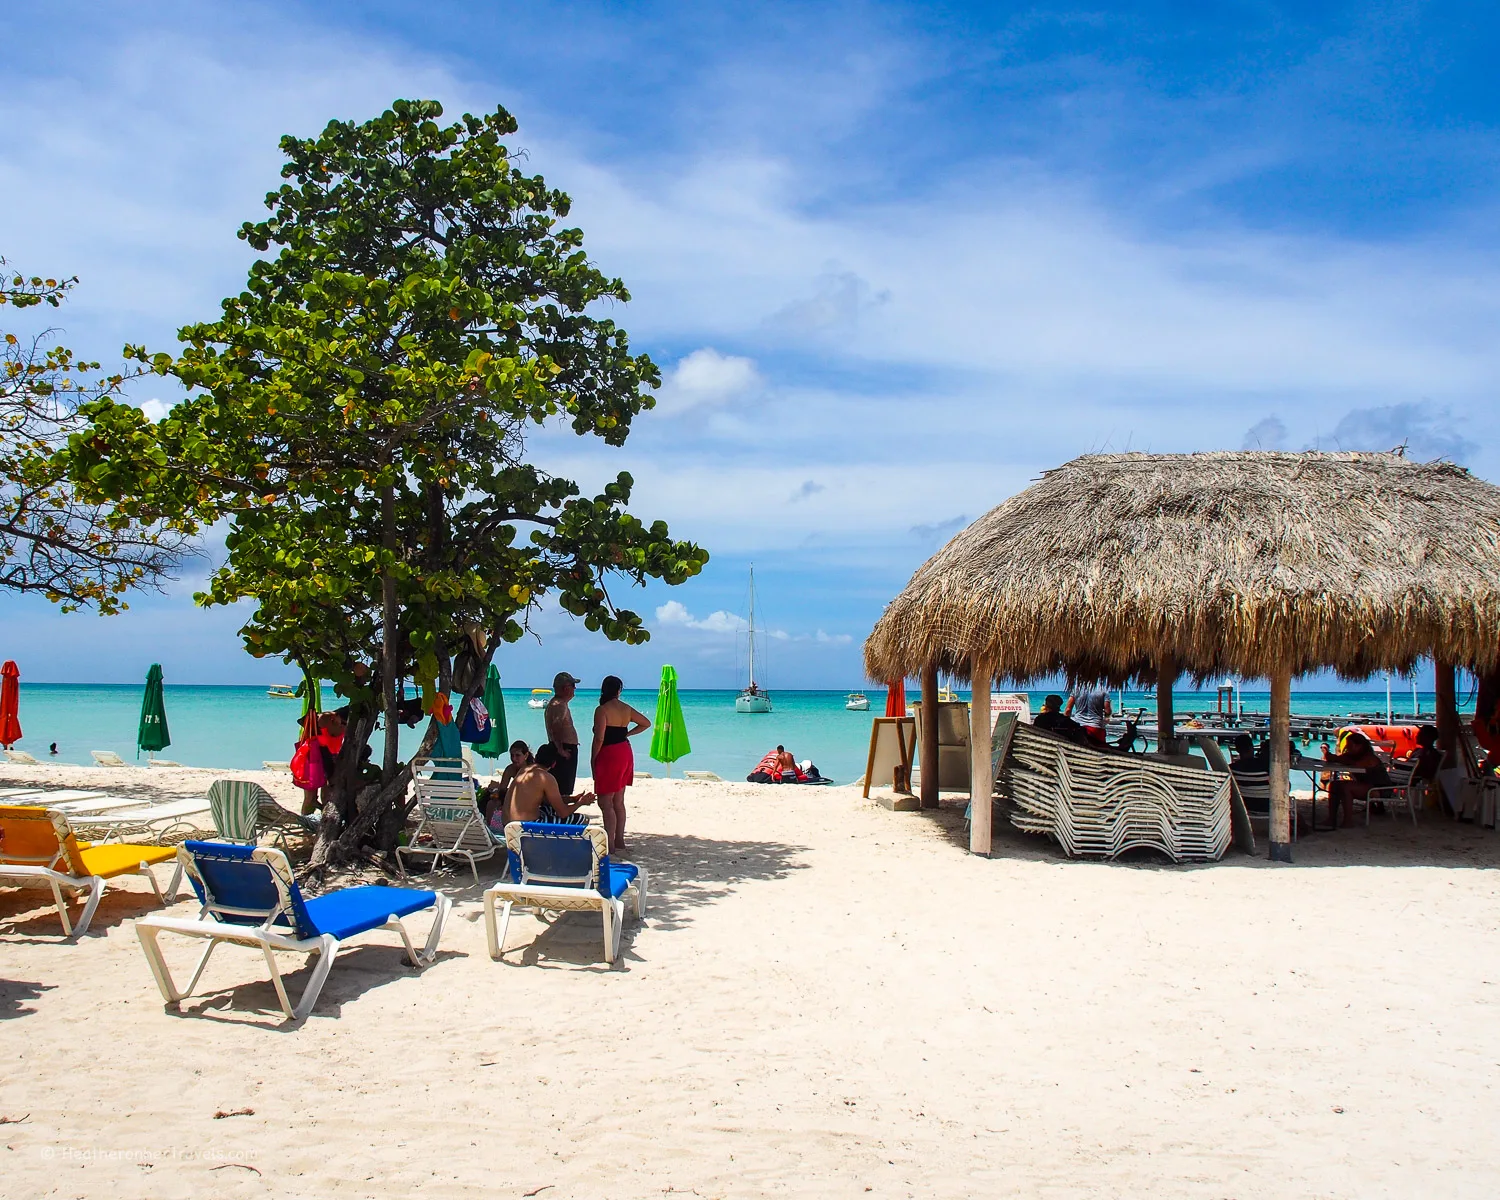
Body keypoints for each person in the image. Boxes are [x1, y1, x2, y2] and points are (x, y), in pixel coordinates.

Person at [591, 675, 650, 853]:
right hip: (625, 751)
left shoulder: (602, 710)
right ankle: (619, 840)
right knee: (618, 800)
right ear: (618, 691)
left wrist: (593, 758)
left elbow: (599, 737)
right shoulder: (626, 708)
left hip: (610, 753)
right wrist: (627, 734)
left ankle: (609, 845)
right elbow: (646, 723)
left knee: (605, 802)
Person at [505, 743, 596, 827]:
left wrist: (572, 799)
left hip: (509, 824)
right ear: (554, 764)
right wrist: (581, 803)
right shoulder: (546, 777)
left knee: (549, 809)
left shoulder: (523, 770)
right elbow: (563, 813)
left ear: (536, 757)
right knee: (583, 819)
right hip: (527, 826)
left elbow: (547, 800)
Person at [1322, 730, 1393, 828]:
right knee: (1334, 785)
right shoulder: (1354, 756)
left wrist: (1337, 758)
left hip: (1381, 789)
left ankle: (1348, 821)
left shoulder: (1369, 758)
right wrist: (1328, 754)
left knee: (1347, 787)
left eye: (1350, 746)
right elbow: (1338, 759)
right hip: (1368, 786)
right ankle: (1331, 819)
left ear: (1359, 746)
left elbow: (1354, 764)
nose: (1347, 748)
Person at [544, 672, 583, 797]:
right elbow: (555, 728)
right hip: (564, 749)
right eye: (573, 685)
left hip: (564, 748)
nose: (574, 689)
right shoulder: (558, 705)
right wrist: (561, 749)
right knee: (563, 786)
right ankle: (561, 812)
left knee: (564, 785)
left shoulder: (559, 703)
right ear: (566, 688)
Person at [480, 740, 532, 824]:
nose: (514, 759)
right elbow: (502, 789)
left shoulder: (531, 771)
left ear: (526, 755)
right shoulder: (510, 769)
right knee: (491, 803)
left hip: (529, 799)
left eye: (517, 755)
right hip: (514, 797)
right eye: (512, 755)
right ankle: (490, 827)